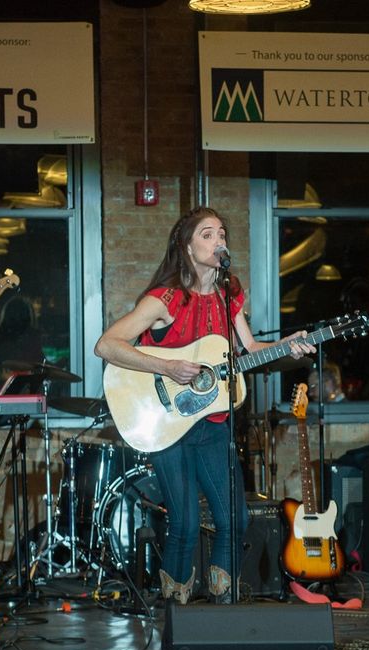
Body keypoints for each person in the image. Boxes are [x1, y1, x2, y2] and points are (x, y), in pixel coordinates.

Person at [94, 207, 312, 604]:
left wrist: (288, 346)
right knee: (186, 524)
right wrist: (168, 366)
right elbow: (107, 345)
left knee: (235, 518)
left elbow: (250, 349)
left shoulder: (230, 294)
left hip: (213, 420)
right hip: (166, 421)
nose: (219, 241)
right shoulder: (166, 297)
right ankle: (174, 614)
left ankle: (222, 609)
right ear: (188, 247)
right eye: (208, 235)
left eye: (222, 234)